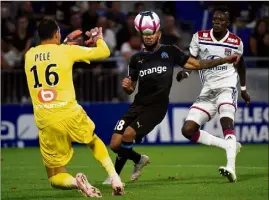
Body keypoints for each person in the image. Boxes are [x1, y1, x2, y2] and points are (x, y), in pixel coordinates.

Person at [103, 11, 240, 184]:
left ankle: (114, 177)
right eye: (145, 34)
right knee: (115, 144)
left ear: (158, 34)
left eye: (152, 33)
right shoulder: (136, 59)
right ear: (141, 35)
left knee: (128, 134)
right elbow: (131, 89)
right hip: (137, 105)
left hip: (156, 107)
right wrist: (127, 86)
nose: (149, 37)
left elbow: (197, 64)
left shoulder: (170, 52)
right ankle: (138, 160)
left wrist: (223, 60)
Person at [24, 19, 124, 197]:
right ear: (56, 34)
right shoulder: (66, 51)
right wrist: (98, 38)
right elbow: (104, 52)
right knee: (92, 141)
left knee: (54, 177)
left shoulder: (29, 55)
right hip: (69, 112)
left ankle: (76, 182)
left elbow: (47, 56)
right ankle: (114, 177)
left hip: (46, 120)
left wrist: (62, 44)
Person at [176, 6, 251, 182]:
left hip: (227, 87)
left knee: (226, 120)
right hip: (208, 90)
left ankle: (231, 167)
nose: (217, 22)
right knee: (188, 130)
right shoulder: (199, 37)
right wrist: (185, 73)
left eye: (221, 20)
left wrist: (243, 89)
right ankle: (229, 145)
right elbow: (192, 61)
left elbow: (241, 65)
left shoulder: (235, 42)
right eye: (215, 19)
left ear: (228, 23)